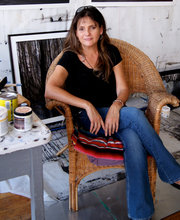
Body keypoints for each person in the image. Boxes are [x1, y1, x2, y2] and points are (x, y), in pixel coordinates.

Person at [45, 5, 180, 220]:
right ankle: (173, 173)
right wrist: (87, 106)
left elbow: (123, 88)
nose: (87, 33)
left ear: (101, 30)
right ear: (75, 32)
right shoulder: (70, 57)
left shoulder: (110, 52)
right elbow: (50, 89)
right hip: (91, 120)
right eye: (81, 28)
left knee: (134, 141)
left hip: (116, 117)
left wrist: (117, 105)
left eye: (92, 27)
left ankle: (140, 214)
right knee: (136, 115)